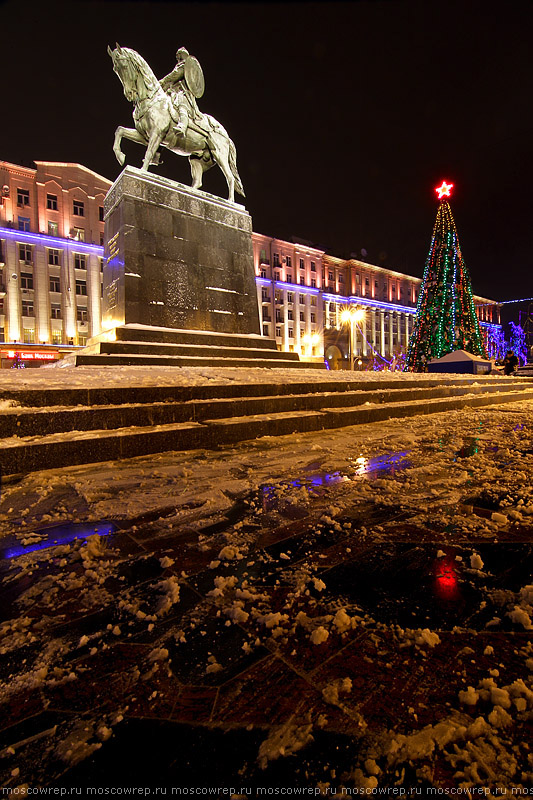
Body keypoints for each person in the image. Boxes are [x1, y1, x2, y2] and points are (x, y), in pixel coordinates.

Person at [160, 47, 201, 137]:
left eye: (179, 55)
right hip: (173, 91)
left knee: (181, 103)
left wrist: (163, 81)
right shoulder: (180, 65)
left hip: (182, 92)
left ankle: (182, 126)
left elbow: (175, 75)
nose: (177, 58)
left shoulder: (185, 65)